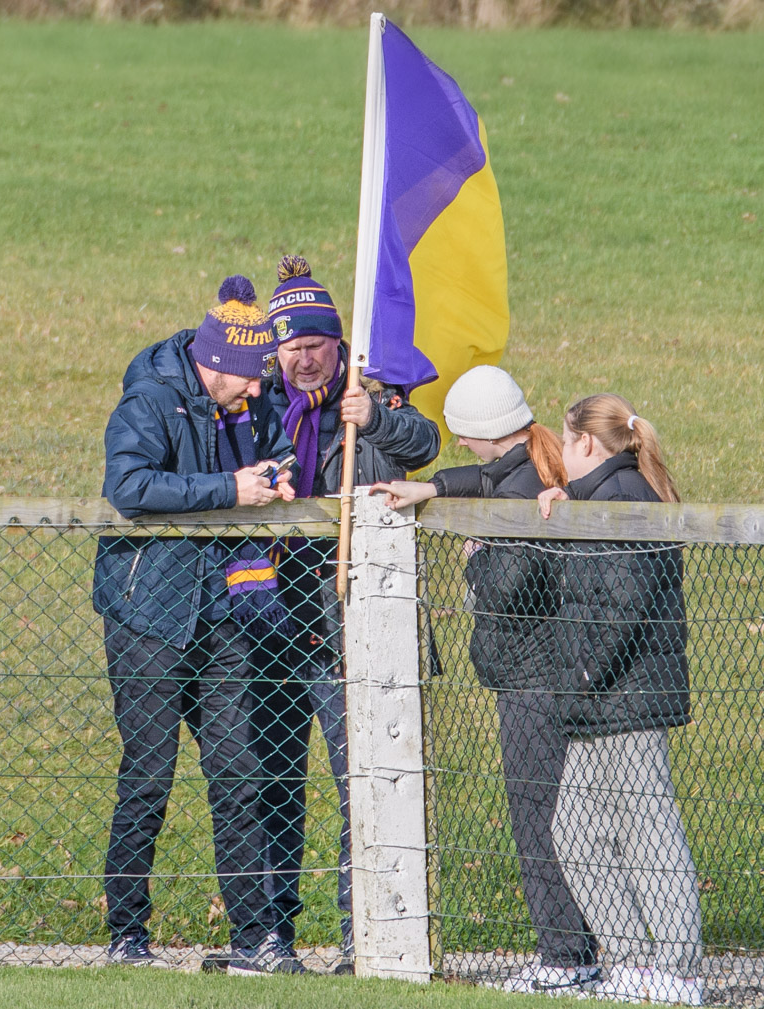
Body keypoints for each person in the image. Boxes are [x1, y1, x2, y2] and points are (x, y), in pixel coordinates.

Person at [92, 275, 307, 976]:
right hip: (147, 609)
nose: (254, 395)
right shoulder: (149, 397)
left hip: (221, 611)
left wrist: (273, 476)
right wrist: (229, 490)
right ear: (215, 365)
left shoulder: (248, 398)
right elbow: (128, 487)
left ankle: (256, 937)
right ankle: (127, 936)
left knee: (237, 770)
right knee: (149, 773)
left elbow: (274, 448)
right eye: (246, 382)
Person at [372, 365, 602, 995]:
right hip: (544, 673)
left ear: (485, 430)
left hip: (536, 677)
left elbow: (512, 587)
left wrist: (475, 560)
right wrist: (433, 488)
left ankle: (565, 956)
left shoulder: (524, 483)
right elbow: (485, 479)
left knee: (536, 817)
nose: (460, 446)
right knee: (554, 815)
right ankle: (575, 948)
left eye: (463, 435)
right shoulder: (527, 465)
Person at [253, 254, 441, 973]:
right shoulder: (255, 408)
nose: (303, 359)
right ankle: (269, 934)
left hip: (350, 631)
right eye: (290, 346)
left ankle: (362, 933)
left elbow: (425, 444)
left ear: (339, 344)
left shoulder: (372, 399)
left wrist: (378, 421)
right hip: (271, 628)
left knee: (362, 784)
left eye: (315, 345)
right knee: (271, 783)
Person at [538, 393, 703, 1006]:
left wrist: (581, 675)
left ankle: (679, 970)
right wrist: (562, 506)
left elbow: (624, 602)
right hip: (596, 698)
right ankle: (632, 962)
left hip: (624, 696)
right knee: (577, 834)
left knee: (648, 830)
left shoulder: (624, 498)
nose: (558, 455)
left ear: (586, 443)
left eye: (564, 441)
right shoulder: (599, 498)